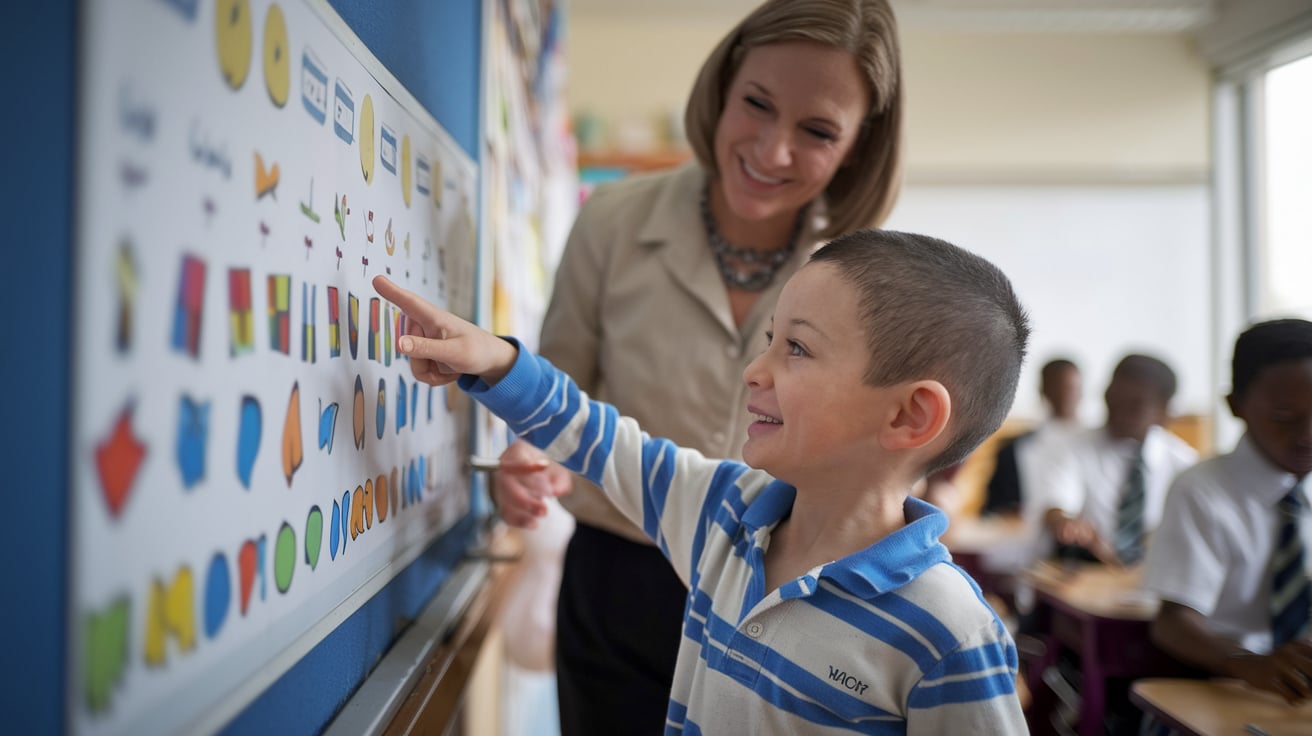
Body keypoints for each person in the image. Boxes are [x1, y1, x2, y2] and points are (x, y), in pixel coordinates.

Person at [373, 227, 1030, 734]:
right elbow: (600, 440)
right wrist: (495, 361)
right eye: (769, 339)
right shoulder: (726, 512)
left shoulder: (950, 636)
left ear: (909, 415)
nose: (755, 370)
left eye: (796, 348)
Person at [491, 1, 906, 732]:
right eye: (757, 105)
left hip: (785, 596)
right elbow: (555, 395)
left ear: (858, 147)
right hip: (617, 578)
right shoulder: (613, 220)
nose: (773, 151)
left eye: (816, 132)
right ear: (722, 87)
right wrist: (528, 457)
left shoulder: (867, 276)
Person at [1142, 318, 1312, 705]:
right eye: (1285, 417)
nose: (1308, 434)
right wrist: (1248, 664)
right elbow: (1172, 623)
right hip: (1226, 687)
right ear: (1235, 406)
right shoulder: (1202, 491)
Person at [1036, 354, 1198, 566]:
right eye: (1113, 399)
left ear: (1164, 414)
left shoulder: (1184, 467)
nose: (1118, 413)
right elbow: (1056, 504)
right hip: (1089, 575)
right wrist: (1065, 522)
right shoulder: (1073, 448)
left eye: (1134, 406)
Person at [983, 358, 1083, 517]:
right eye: (1058, 388)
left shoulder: (1098, 446)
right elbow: (997, 507)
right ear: (1043, 390)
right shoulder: (1016, 448)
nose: (1066, 395)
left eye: (1071, 388)